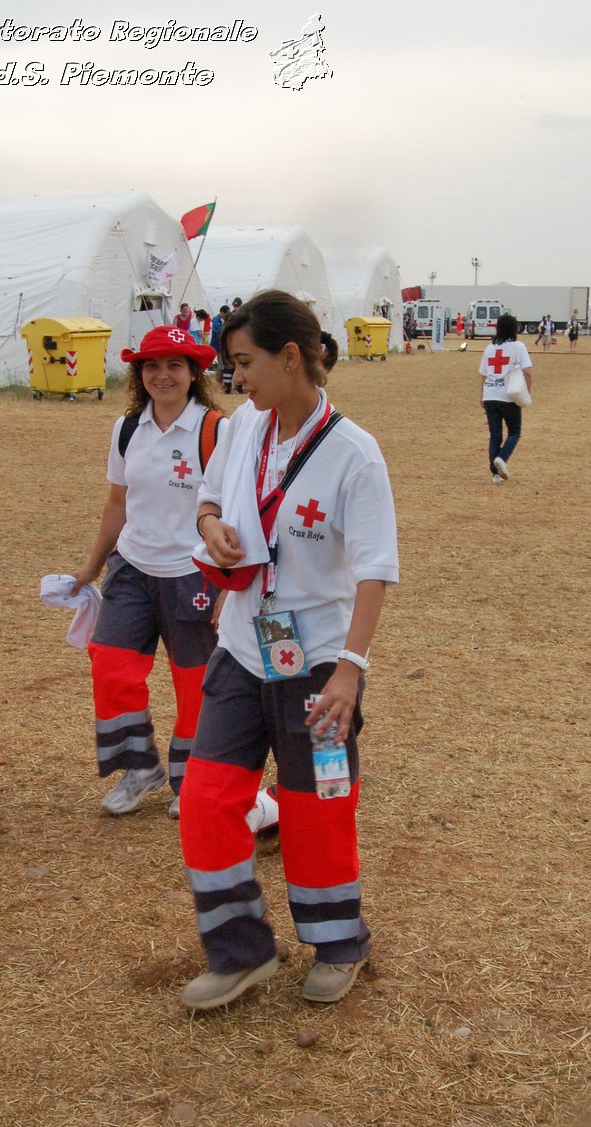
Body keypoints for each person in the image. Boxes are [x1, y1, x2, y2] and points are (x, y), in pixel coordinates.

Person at [178, 290, 399, 1010]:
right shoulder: (244, 427)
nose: (236, 378)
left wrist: (349, 671)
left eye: (245, 363)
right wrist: (211, 527)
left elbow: (373, 570)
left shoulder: (354, 454)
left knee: (316, 806)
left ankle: (339, 943)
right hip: (243, 648)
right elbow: (209, 500)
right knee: (206, 797)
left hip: (317, 666)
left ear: (292, 356)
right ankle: (240, 952)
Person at [71, 327, 226, 818]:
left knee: (195, 683)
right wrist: (93, 565)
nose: (162, 375)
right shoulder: (126, 428)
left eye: (174, 365)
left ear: (193, 373)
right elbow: (118, 500)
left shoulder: (218, 430)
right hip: (132, 568)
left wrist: (229, 584)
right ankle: (139, 767)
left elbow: (238, 508)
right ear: (140, 374)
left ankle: (191, 778)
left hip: (193, 572)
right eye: (152, 366)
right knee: (111, 666)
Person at [478, 313, 533, 484]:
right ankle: (502, 458)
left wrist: (482, 396)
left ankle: (495, 474)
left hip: (490, 395)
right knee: (514, 432)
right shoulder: (518, 347)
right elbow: (528, 372)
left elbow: (483, 375)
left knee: (495, 436)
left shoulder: (489, 348)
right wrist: (527, 393)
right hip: (508, 396)